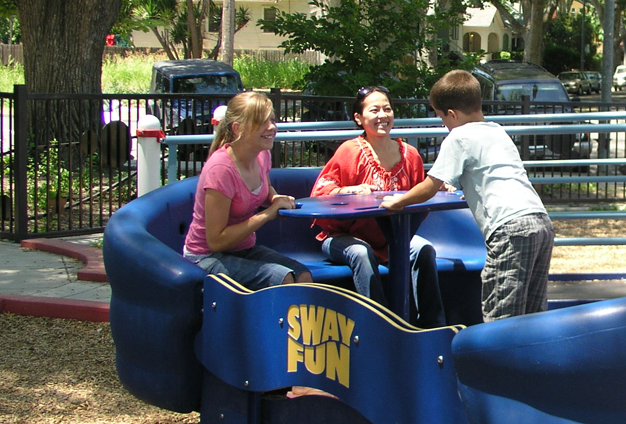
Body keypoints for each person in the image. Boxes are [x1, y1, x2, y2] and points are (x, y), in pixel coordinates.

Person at [382, 69, 554, 322]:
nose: (444, 125)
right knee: (531, 315)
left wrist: (398, 201)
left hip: (509, 229)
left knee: (501, 318)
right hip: (540, 223)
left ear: (451, 114)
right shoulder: (497, 131)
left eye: (442, 118)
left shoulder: (458, 136)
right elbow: (491, 175)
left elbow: (429, 187)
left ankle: (494, 361)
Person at [310, 86, 445, 328]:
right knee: (362, 253)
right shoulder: (349, 151)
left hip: (395, 237)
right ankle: (382, 327)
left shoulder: (411, 155)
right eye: (374, 110)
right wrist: (347, 190)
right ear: (359, 118)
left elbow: (420, 196)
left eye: (387, 109)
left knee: (424, 249)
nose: (383, 115)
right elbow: (319, 193)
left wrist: (438, 189)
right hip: (343, 237)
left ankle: (430, 327)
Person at [182, 91, 313, 289]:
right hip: (206, 256)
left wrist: (275, 199)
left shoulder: (262, 155)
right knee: (281, 278)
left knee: (302, 274)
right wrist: (268, 214)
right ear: (237, 128)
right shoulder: (221, 170)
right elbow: (216, 241)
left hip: (242, 249)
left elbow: (264, 190)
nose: (272, 127)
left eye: (272, 120)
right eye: (262, 122)